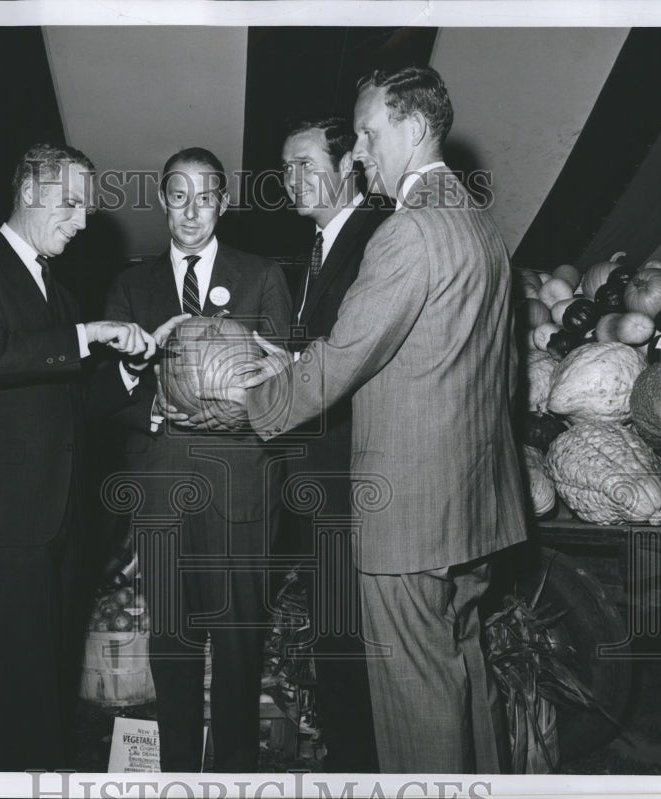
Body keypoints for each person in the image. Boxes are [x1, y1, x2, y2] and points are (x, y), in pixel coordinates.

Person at [224, 66, 528, 773]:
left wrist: (253, 399)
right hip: (475, 505)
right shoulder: (482, 224)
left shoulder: (407, 232)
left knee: (416, 700)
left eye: (368, 132)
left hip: (410, 515)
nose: (358, 152)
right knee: (466, 674)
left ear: (415, 128)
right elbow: (501, 371)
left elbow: (343, 356)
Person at [0, 142, 183, 771]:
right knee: (23, 690)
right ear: (28, 190)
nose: (80, 220)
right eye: (70, 203)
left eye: (86, 209)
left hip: (61, 519)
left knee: (44, 688)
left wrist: (126, 375)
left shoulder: (59, 294)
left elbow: (72, 405)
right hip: (3, 522)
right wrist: (86, 335)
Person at [102, 147, 291, 772]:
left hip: (239, 486)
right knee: (173, 640)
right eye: (177, 195)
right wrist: (147, 395)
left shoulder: (263, 275)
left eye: (204, 196)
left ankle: (236, 769)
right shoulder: (131, 284)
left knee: (239, 640)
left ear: (223, 202)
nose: (190, 210)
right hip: (161, 486)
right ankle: (178, 769)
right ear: (161, 201)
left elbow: (286, 390)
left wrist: (259, 383)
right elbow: (105, 389)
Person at [277, 116, 389, 772]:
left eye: (303, 163)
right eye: (284, 167)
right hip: (324, 487)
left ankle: (361, 770)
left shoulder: (374, 239)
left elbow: (345, 364)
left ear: (347, 164)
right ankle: (351, 759)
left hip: (354, 488)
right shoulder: (320, 249)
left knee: (349, 645)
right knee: (336, 639)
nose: (291, 180)